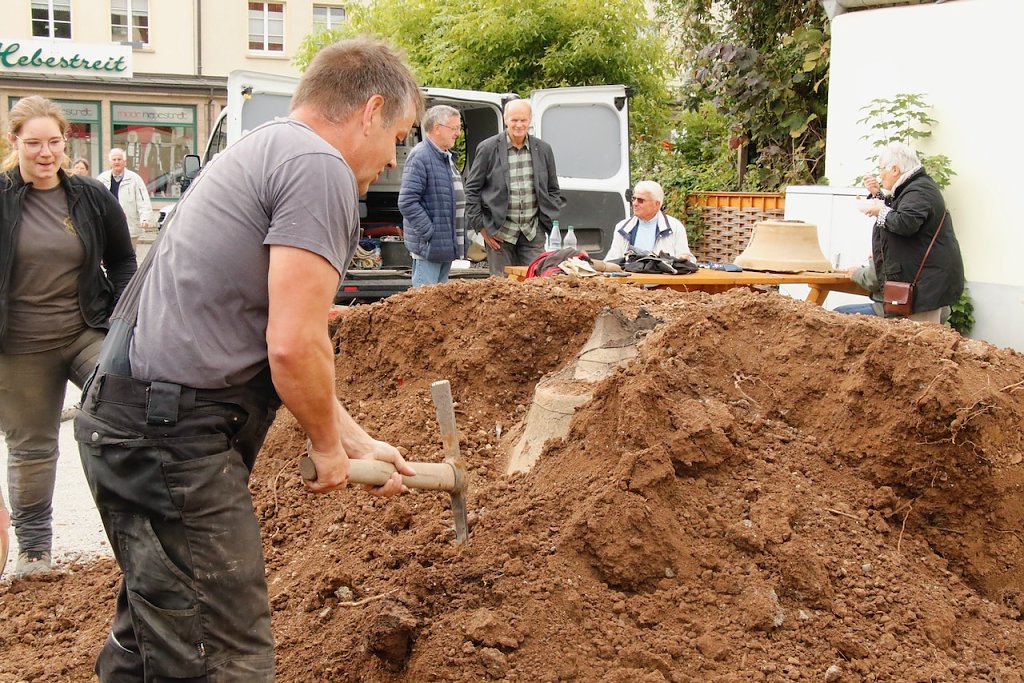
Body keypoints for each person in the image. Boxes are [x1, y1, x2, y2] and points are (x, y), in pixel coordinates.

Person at [74, 38, 422, 681]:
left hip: (131, 423)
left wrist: (356, 440)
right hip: (169, 438)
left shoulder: (262, 148)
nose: (392, 158)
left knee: (157, 638)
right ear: (371, 111)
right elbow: (293, 344)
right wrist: (326, 447)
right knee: (221, 657)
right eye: (398, 136)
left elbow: (274, 332)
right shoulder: (319, 167)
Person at [0, 95, 136, 578]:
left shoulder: (90, 196)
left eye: (54, 142)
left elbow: (123, 260)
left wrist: (123, 317)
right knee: (32, 449)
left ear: (65, 142)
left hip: (85, 330)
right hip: (20, 346)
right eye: (33, 143)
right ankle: (35, 552)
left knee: (127, 410)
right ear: (14, 142)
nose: (45, 153)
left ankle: (139, 533)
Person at [858, 142, 964, 323]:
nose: (880, 175)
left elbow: (905, 223)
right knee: (912, 337)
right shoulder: (914, 188)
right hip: (923, 283)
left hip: (926, 286)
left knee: (920, 338)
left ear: (895, 169)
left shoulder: (919, 190)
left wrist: (880, 211)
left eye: (881, 169)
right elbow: (900, 212)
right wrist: (878, 196)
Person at [464, 99, 564, 276]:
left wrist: (547, 219)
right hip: (499, 234)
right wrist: (482, 228)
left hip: (532, 233)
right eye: (514, 120)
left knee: (535, 284)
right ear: (505, 120)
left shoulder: (543, 149)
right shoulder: (488, 148)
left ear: (530, 120)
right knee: (502, 288)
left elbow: (553, 190)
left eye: (523, 120)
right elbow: (472, 190)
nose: (519, 125)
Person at [399, 105, 466, 287]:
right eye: (454, 128)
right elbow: (407, 202)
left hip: (443, 247)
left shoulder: (445, 156)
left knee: (439, 300)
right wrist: (430, 233)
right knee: (425, 300)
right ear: (437, 128)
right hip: (430, 248)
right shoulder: (420, 156)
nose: (458, 133)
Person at [604, 180, 695, 262]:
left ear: (657, 204)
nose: (634, 203)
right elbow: (612, 260)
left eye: (640, 200)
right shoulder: (622, 227)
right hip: (631, 275)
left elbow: (687, 260)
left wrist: (684, 259)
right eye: (634, 199)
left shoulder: (675, 227)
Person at [95, 147, 153, 247]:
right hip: (108, 224)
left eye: (119, 159)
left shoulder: (135, 179)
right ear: (110, 162)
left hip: (129, 224)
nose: (116, 162)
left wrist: (145, 218)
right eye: (114, 159)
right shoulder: (101, 179)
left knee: (129, 253)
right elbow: (95, 201)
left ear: (124, 162)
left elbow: (143, 200)